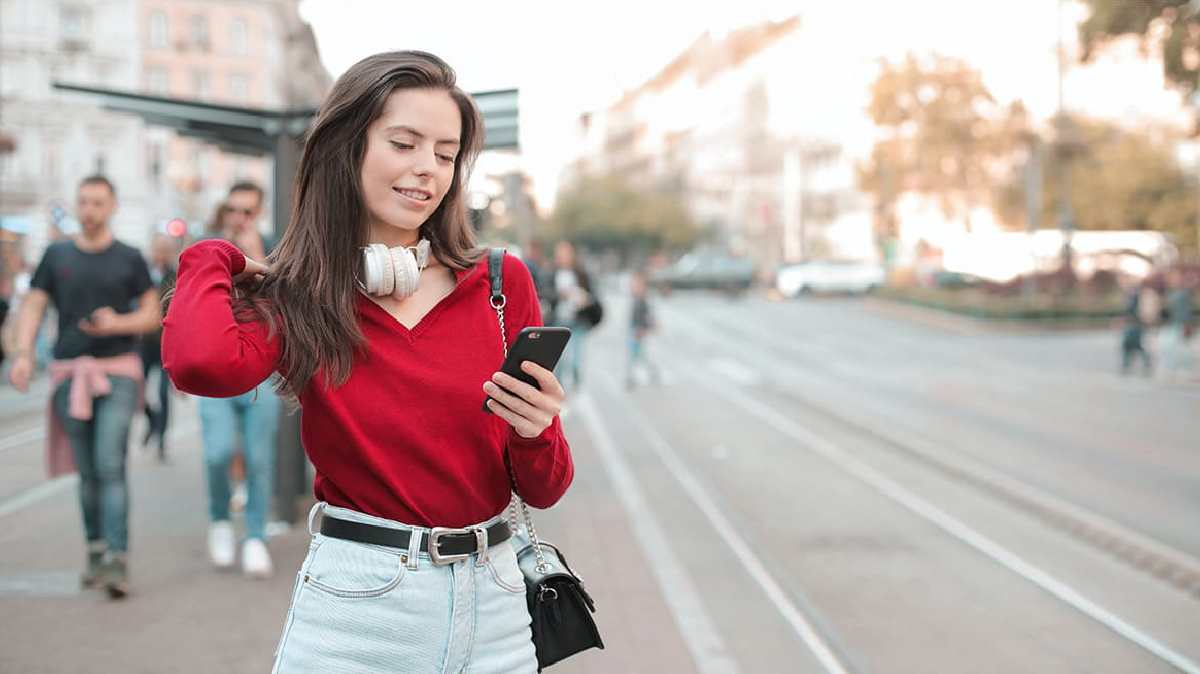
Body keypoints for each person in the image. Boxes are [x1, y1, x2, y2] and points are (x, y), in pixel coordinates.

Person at [162, 51, 572, 673]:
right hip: (357, 608)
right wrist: (211, 257)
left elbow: (545, 487)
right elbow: (200, 366)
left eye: (444, 153)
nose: (426, 170)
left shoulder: (498, 283)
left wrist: (537, 429)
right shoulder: (299, 294)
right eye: (404, 144)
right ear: (347, 148)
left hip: (498, 608)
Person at [8, 175, 160, 599]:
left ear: (111, 207)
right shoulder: (55, 256)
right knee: (88, 471)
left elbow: (152, 315)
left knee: (110, 462)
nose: (89, 209)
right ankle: (95, 550)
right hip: (68, 373)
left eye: (97, 202)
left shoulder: (129, 257)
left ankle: (117, 559)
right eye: (83, 202)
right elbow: (35, 305)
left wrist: (117, 323)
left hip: (118, 371)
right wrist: (22, 354)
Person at [195, 182, 282, 578]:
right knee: (217, 453)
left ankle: (255, 536)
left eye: (247, 211)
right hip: (215, 371)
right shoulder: (208, 249)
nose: (239, 218)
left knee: (259, 458)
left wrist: (257, 258)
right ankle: (218, 519)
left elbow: (284, 305)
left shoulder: (274, 249)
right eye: (233, 210)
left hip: (261, 373)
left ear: (259, 212)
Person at [139, 233, 178, 460]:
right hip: (143, 344)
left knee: (164, 393)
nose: (160, 253)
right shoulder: (143, 274)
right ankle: (151, 419)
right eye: (157, 249)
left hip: (165, 344)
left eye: (164, 249)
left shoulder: (175, 276)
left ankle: (162, 439)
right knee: (138, 391)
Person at [549, 240, 594, 391]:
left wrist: (585, 299)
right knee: (559, 361)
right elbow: (544, 292)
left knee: (576, 360)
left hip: (578, 321)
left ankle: (576, 385)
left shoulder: (581, 273)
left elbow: (592, 295)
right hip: (558, 322)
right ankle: (559, 390)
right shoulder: (551, 272)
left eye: (566, 253)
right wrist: (561, 295)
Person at [626, 270, 661, 389]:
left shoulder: (644, 301)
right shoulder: (635, 299)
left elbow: (648, 317)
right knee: (634, 356)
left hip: (640, 332)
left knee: (644, 356)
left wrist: (646, 329)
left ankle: (652, 372)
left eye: (637, 285)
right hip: (634, 331)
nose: (634, 287)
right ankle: (631, 377)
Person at [1161, 267, 1195, 381]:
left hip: (1181, 324)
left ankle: (1187, 372)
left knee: (1184, 350)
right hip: (1172, 324)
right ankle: (1171, 371)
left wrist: (1187, 325)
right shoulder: (1171, 293)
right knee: (1169, 348)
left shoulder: (1185, 293)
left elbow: (1187, 311)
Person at [1119, 277, 1153, 377]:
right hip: (1134, 324)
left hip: (1135, 325)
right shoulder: (1134, 296)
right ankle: (1129, 365)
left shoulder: (1136, 297)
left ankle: (1129, 365)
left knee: (1131, 345)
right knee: (1131, 346)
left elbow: (1132, 312)